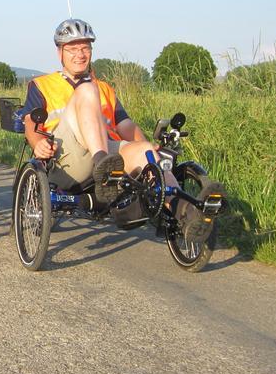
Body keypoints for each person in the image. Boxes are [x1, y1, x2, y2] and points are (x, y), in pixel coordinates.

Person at [20, 18, 215, 243]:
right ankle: (104, 165)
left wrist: (149, 150)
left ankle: (188, 215)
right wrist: (37, 144)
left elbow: (126, 126)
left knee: (146, 154)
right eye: (73, 49)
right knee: (86, 90)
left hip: (107, 156)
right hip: (65, 158)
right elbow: (29, 124)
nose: (80, 54)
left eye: (85, 48)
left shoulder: (105, 89)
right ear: (60, 53)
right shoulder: (43, 85)